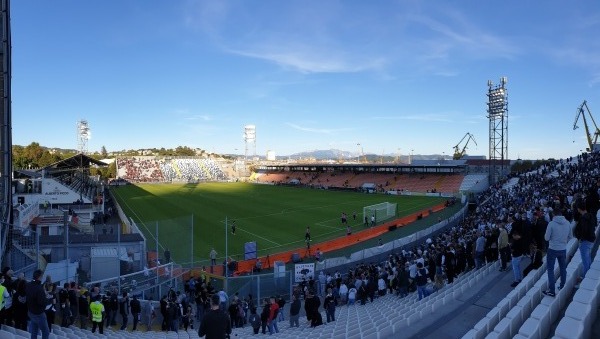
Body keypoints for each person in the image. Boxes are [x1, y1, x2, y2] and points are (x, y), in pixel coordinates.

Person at [543, 207, 572, 297]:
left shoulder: (551, 224)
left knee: (550, 270)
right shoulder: (567, 223)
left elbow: (546, 238)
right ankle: (562, 286)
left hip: (552, 249)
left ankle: (552, 290)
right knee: (563, 268)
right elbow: (570, 236)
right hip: (562, 249)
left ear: (554, 215)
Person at [574, 199, 597, 283]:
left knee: (585, 261)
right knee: (588, 258)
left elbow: (584, 230)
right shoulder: (590, 215)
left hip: (585, 241)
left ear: (579, 209)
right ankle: (588, 275)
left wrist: (580, 239)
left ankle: (585, 278)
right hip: (591, 240)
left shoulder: (583, 218)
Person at [26, 269, 50, 339]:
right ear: (39, 277)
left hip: (30, 312)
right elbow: (42, 303)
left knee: (34, 330)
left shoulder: (28, 285)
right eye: (42, 276)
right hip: (39, 314)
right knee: (46, 331)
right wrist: (46, 297)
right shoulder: (39, 289)